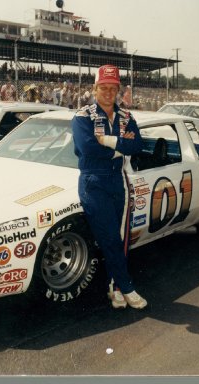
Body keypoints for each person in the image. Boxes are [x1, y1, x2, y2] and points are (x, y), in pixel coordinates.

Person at [72, 64, 147, 310]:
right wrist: (120, 146)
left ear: (118, 90)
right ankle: (126, 287)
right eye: (102, 87)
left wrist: (107, 140)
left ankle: (114, 288)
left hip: (117, 179)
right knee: (110, 237)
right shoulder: (82, 116)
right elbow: (87, 149)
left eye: (112, 88)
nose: (107, 92)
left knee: (119, 237)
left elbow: (137, 147)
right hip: (93, 181)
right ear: (94, 89)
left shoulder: (127, 116)